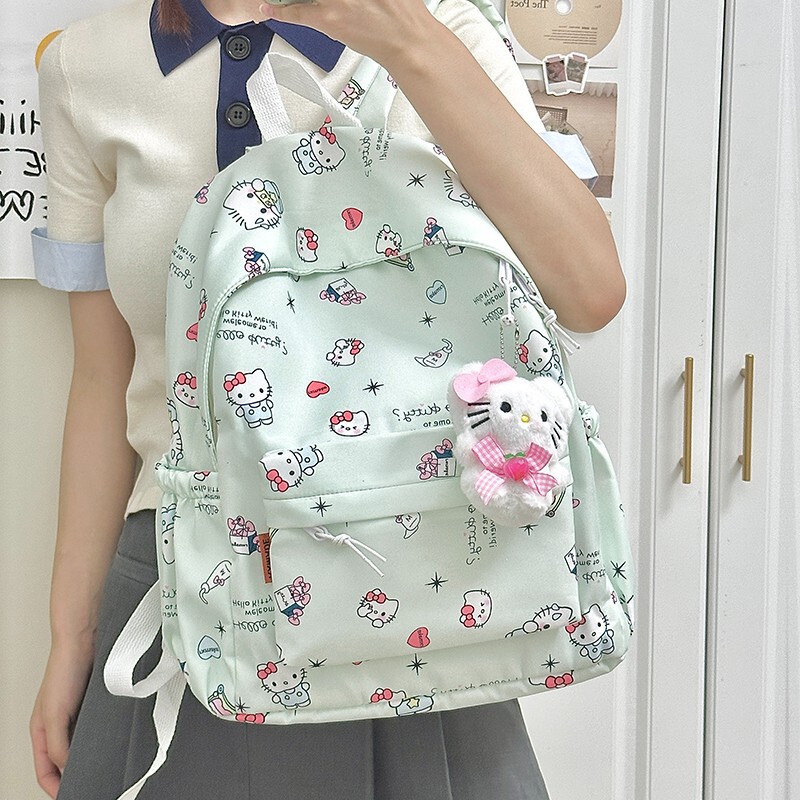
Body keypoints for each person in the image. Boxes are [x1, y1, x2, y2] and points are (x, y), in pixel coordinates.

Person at [29, 0, 625, 797]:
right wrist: (71, 638)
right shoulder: (84, 67)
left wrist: (408, 42)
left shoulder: (439, 29)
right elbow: (104, 379)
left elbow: (589, 292)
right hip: (186, 588)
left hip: (420, 577)